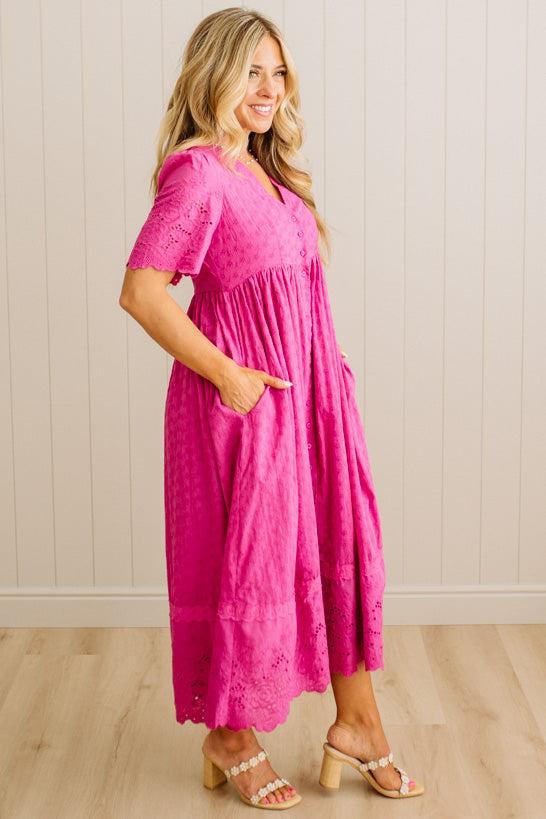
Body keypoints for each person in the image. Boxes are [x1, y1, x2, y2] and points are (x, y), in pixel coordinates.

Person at [119, 7, 424, 811]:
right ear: (213, 74)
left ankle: (357, 721)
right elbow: (143, 292)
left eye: (278, 72)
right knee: (254, 567)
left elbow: (291, 291)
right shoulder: (197, 174)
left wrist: (327, 357)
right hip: (244, 413)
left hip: (314, 401)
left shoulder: (268, 171)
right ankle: (229, 735)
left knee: (335, 541)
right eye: (252, 70)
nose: (269, 88)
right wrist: (229, 374)